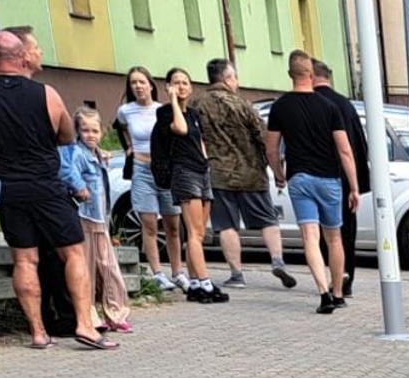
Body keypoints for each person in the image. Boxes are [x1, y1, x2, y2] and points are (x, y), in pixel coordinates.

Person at [0, 30, 113, 350]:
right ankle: (84, 325)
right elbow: (66, 136)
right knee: (73, 253)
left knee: (25, 260)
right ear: (22, 57)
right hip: (47, 186)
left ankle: (38, 333)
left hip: (8, 190)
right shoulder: (47, 94)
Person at [191, 58, 296, 290]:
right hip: (251, 171)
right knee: (267, 219)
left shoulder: (197, 104)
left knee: (226, 225)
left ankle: (237, 275)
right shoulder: (243, 104)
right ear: (227, 78)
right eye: (235, 77)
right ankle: (277, 260)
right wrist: (277, 171)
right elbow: (264, 137)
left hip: (219, 173)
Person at [268, 51, 360, 314]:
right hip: (330, 179)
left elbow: (271, 149)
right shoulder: (330, 107)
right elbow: (345, 151)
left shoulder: (280, 107)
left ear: (290, 74)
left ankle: (323, 293)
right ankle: (338, 292)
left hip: (299, 178)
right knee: (334, 238)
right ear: (311, 74)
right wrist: (354, 187)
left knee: (310, 236)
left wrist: (279, 173)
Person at [150, 67, 227, 303]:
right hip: (184, 172)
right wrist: (173, 100)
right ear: (168, 87)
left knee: (200, 233)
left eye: (185, 82)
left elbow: (199, 140)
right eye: (176, 82)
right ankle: (205, 283)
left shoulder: (194, 114)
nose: (181, 86)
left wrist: (206, 163)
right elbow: (180, 129)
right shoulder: (165, 113)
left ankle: (194, 283)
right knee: (193, 232)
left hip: (201, 171)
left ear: (191, 87)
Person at [58, 107, 132, 333]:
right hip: (86, 217)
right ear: (78, 131)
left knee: (108, 267)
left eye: (95, 131)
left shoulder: (96, 153)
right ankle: (89, 314)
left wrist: (102, 154)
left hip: (100, 218)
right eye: (85, 130)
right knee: (88, 269)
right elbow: (66, 170)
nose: (90, 135)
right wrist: (80, 187)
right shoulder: (77, 153)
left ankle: (116, 312)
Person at [114, 66, 183, 292]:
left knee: (173, 224)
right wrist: (128, 147)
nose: (138, 86)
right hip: (141, 169)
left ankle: (178, 272)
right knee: (149, 223)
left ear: (151, 85)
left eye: (142, 82)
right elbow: (120, 127)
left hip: (163, 169)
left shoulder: (161, 110)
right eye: (133, 83)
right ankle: (158, 273)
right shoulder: (126, 111)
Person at [311, 59, 367, 299]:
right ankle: (346, 278)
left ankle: (331, 278)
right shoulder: (345, 104)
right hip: (345, 176)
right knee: (346, 231)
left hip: (319, 174)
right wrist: (358, 184)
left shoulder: (310, 104)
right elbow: (358, 145)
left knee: (321, 232)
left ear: (311, 76)